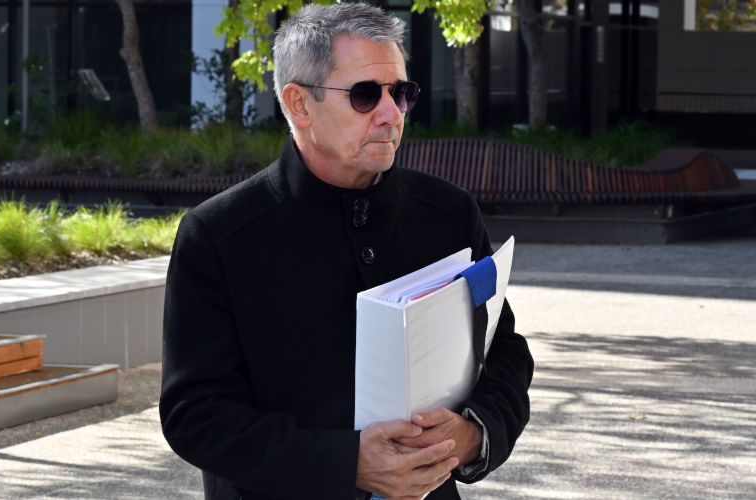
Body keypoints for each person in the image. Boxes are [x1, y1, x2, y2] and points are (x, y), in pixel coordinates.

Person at [159, 3, 533, 500]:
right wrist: (344, 464)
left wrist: (473, 434)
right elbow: (195, 413)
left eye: (401, 93)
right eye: (364, 95)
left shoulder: (448, 215)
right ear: (299, 105)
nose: (390, 113)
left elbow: (504, 351)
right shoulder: (218, 234)